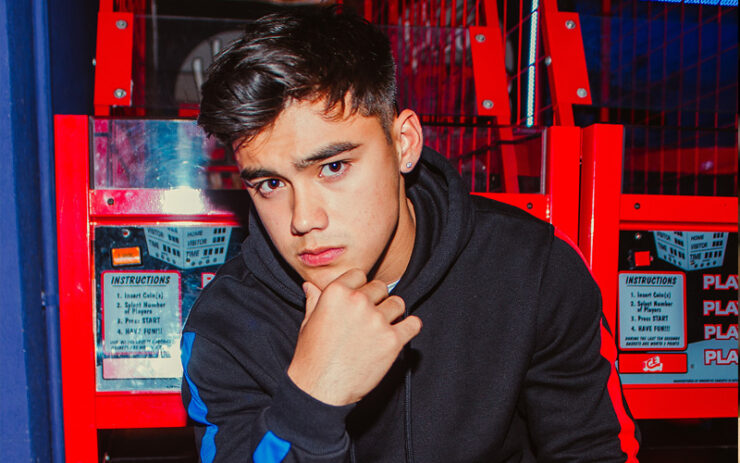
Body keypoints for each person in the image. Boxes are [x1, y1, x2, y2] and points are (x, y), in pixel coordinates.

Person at [180, 6, 640, 462]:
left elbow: (595, 450)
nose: (303, 219)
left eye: (333, 167)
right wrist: (312, 402)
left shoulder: (531, 267)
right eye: (270, 184)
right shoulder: (226, 326)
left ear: (404, 143)